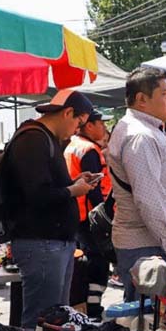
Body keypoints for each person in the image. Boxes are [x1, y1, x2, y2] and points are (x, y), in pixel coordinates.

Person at [3, 89, 96, 330]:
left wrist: (74, 182)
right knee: (41, 320)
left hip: (52, 242)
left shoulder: (44, 138)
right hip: (41, 242)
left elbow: (43, 188)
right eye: (79, 122)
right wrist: (74, 191)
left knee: (54, 320)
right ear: (68, 112)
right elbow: (36, 194)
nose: (77, 130)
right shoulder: (33, 139)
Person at [107, 67, 166, 302]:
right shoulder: (140, 136)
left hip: (153, 247)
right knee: (156, 328)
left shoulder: (145, 130)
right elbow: (149, 198)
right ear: (142, 100)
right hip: (150, 249)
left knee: (155, 323)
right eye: (164, 94)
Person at [64, 110, 113, 319]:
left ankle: (81, 306)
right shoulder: (89, 149)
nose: (103, 128)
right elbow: (93, 186)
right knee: (98, 263)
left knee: (82, 264)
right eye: (101, 123)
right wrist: (103, 217)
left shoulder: (71, 145)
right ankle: (93, 310)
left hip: (74, 215)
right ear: (89, 125)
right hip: (89, 218)